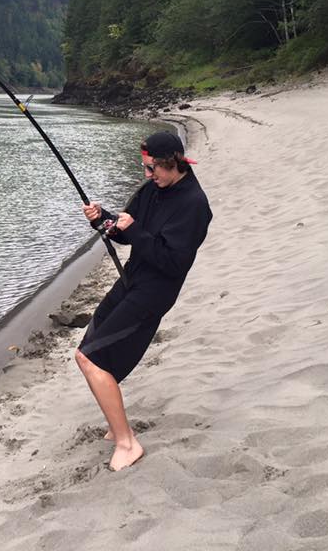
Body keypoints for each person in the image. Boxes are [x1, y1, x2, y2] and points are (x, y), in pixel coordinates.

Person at [77, 131, 212, 470]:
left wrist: (133, 231)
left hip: (155, 291)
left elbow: (172, 263)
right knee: (90, 348)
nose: (148, 176)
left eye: (152, 169)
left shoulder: (194, 205)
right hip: (132, 277)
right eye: (145, 168)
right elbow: (128, 231)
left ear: (174, 163)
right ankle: (116, 425)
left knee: (93, 358)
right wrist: (105, 220)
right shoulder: (152, 189)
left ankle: (127, 443)